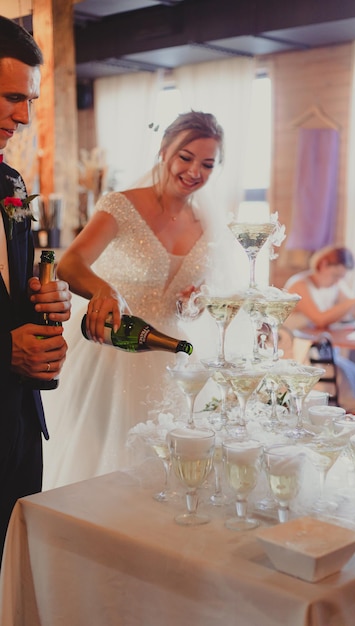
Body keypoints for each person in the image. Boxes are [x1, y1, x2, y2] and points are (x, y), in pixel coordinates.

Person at [42, 111, 225, 489]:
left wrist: (194, 302)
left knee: (168, 468)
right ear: (164, 151)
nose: (194, 171)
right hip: (112, 351)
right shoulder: (122, 205)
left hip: (173, 359)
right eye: (186, 157)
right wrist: (104, 290)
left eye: (207, 164)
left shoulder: (208, 224)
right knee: (105, 464)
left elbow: (201, 295)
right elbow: (71, 264)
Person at [0, 16, 71, 560]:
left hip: (19, 427)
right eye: (9, 98)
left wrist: (50, 300)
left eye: (28, 100)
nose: (23, 117)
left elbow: (17, 293)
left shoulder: (13, 186)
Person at [284, 245, 355, 399]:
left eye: (341, 277)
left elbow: (354, 311)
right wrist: (354, 301)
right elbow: (319, 319)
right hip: (298, 351)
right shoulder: (299, 285)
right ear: (322, 265)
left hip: (320, 348)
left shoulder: (335, 285)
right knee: (340, 383)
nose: (337, 281)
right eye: (335, 275)